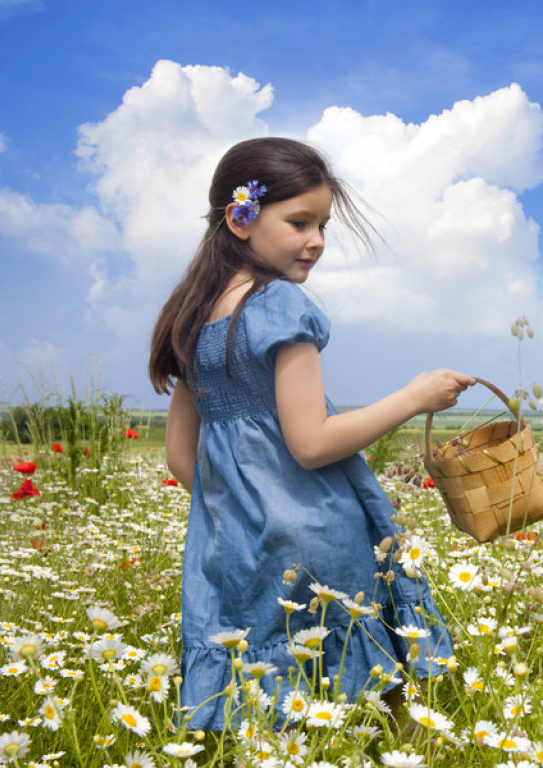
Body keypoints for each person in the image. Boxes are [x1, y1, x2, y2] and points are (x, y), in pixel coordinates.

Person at [149, 137, 474, 731]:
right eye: (299, 223)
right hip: (320, 533)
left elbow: (179, 456)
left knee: (279, 699)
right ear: (240, 219)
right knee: (379, 682)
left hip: (236, 545)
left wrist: (246, 509)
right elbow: (312, 442)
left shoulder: (193, 318)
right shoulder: (278, 305)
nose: (317, 240)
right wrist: (414, 397)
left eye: (323, 225)